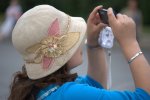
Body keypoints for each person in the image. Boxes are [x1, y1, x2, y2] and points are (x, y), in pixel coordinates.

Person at [8, 5, 150, 100]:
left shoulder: (41, 88)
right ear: (57, 50)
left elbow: (94, 85)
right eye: (73, 37)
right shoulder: (70, 94)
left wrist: (94, 44)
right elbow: (145, 96)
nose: (81, 39)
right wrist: (130, 43)